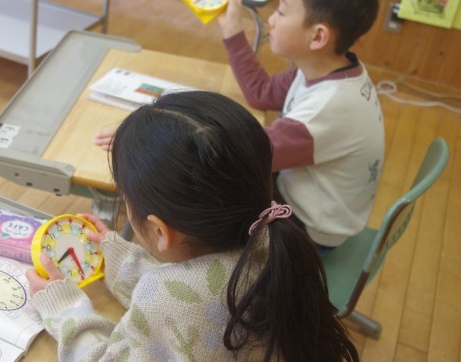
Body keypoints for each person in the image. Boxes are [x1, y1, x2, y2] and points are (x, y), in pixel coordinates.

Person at [28, 91, 358, 361]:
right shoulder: (272, 235)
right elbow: (198, 289)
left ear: (160, 231)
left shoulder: (162, 302)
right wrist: (120, 258)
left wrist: (66, 308)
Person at [217, 0, 385, 253]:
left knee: (211, 190)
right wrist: (232, 29)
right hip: (314, 203)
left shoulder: (324, 110)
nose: (271, 19)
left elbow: (246, 157)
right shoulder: (329, 68)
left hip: (307, 232)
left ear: (318, 36)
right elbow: (262, 92)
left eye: (281, 11)